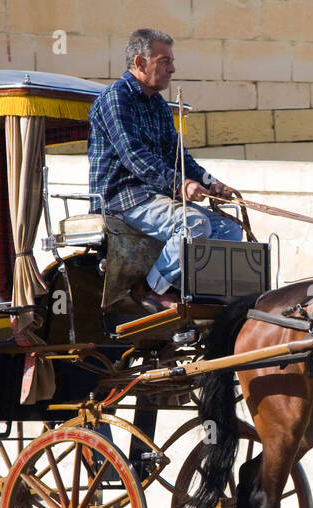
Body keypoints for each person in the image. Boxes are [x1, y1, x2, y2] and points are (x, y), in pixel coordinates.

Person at [88, 28, 242, 309]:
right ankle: (148, 290)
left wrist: (211, 182)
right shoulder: (114, 98)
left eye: (171, 61)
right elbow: (134, 156)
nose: (173, 68)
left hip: (154, 195)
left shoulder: (157, 104)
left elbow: (178, 155)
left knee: (230, 229)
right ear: (139, 63)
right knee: (194, 224)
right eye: (164, 61)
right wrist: (181, 185)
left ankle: (200, 296)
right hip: (122, 198)